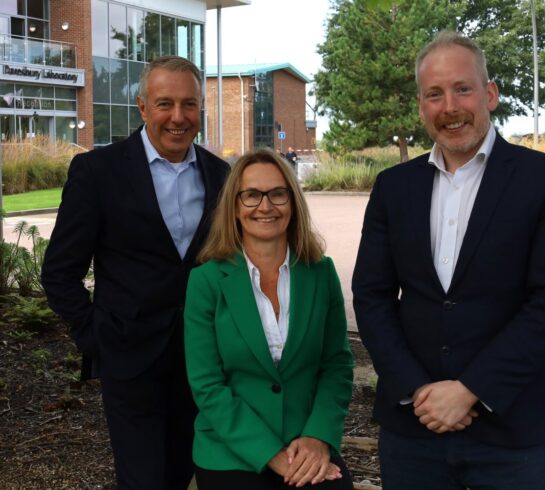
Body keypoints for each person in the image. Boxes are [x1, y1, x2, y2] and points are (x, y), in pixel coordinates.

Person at [352, 31, 545, 489]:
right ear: (421, 105)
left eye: (462, 88)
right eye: (434, 94)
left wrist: (470, 391)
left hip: (515, 427)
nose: (450, 107)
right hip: (412, 429)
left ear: (491, 94)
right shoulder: (393, 187)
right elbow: (372, 296)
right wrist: (417, 389)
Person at [41, 56, 230, 489]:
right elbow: (59, 272)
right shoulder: (98, 172)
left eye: (190, 105)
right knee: (142, 479)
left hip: (203, 360)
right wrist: (96, 338)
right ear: (142, 107)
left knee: (183, 473)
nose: (178, 117)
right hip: (130, 360)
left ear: (201, 109)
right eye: (165, 104)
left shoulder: (222, 176)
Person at [184, 148, 354, 489]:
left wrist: (318, 437)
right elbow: (207, 385)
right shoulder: (206, 281)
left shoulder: (321, 273)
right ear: (234, 206)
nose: (266, 206)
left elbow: (336, 365)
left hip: (306, 444)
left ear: (292, 202)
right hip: (231, 450)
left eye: (277, 194)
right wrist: (272, 455)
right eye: (251, 195)